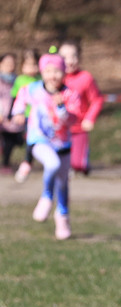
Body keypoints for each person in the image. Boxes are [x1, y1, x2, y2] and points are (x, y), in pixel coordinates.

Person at [10, 52, 82, 240]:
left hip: (63, 144)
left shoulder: (70, 94)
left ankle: (63, 219)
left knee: (63, 184)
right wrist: (18, 113)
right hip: (39, 140)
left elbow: (73, 119)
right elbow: (19, 100)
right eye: (48, 70)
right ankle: (46, 197)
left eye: (57, 71)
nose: (53, 75)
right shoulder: (32, 89)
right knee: (52, 165)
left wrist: (62, 109)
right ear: (42, 72)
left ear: (64, 72)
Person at [57, 39, 102, 175]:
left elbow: (97, 100)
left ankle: (83, 163)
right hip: (59, 129)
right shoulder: (54, 77)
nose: (70, 61)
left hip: (78, 127)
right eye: (65, 57)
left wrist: (89, 118)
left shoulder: (85, 78)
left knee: (77, 164)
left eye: (74, 56)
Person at [12, 48, 40, 183]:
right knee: (30, 141)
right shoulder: (20, 80)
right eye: (28, 64)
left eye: (34, 64)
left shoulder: (42, 80)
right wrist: (18, 113)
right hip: (28, 118)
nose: (31, 68)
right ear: (22, 66)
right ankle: (27, 163)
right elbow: (15, 98)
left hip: (43, 118)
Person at [0, 52, 22, 174]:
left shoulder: (17, 80)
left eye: (12, 63)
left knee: (13, 140)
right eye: (7, 63)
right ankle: (5, 163)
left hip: (13, 115)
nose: (10, 65)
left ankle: (6, 162)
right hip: (1, 114)